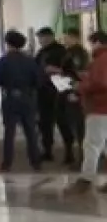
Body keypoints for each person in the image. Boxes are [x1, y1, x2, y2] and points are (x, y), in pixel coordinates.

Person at [0, 30, 42, 173]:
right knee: (31, 131)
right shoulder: (30, 60)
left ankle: (7, 163)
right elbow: (39, 81)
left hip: (10, 99)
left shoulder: (3, 61)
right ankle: (35, 161)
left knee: (9, 132)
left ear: (8, 43)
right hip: (28, 98)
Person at [70, 31, 107, 193]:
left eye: (92, 42)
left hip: (99, 107)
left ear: (98, 42)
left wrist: (81, 87)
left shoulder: (101, 59)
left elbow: (100, 83)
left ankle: (86, 179)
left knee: (92, 144)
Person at [34, 27, 70, 164]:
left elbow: (69, 71)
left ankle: (69, 151)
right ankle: (47, 150)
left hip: (58, 91)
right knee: (45, 123)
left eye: (41, 38)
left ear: (49, 37)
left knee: (63, 121)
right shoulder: (41, 52)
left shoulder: (61, 51)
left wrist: (57, 71)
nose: (40, 41)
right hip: (43, 91)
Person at [61, 29, 91, 168]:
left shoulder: (78, 54)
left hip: (75, 93)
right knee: (74, 127)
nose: (64, 40)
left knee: (80, 129)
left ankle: (84, 161)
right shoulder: (70, 52)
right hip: (69, 91)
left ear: (75, 38)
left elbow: (80, 74)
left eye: (66, 37)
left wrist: (76, 92)